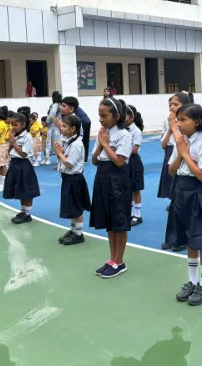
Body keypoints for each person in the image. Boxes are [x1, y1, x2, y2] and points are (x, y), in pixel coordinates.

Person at [167, 104, 202, 306]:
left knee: (201, 239)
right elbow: (171, 171)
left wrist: (186, 155)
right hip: (181, 192)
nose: (178, 124)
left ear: (196, 122)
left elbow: (201, 175)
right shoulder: (180, 142)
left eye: (183, 120)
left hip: (198, 193)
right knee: (188, 237)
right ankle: (192, 281)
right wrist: (180, 153)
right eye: (177, 120)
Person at [91, 97, 132, 279]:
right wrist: (100, 145)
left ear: (116, 116)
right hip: (102, 177)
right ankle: (112, 259)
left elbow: (119, 161)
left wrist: (105, 144)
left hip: (117, 180)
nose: (101, 119)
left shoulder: (124, 135)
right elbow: (94, 160)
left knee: (119, 220)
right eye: (99, 115)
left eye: (104, 116)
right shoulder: (103, 133)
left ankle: (119, 261)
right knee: (109, 219)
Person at [159, 92, 193, 252]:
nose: (172, 107)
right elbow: (164, 144)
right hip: (172, 156)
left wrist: (174, 126)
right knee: (174, 202)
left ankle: (182, 237)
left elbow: (182, 142)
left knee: (183, 203)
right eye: (170, 104)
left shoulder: (187, 123)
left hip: (185, 161)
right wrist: (170, 128)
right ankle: (174, 238)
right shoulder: (169, 122)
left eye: (176, 104)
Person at [55, 114, 91, 245]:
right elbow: (63, 159)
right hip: (67, 178)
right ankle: (73, 230)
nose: (61, 128)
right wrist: (59, 153)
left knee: (76, 207)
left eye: (64, 126)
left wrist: (59, 153)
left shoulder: (76, 144)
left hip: (74, 179)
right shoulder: (68, 141)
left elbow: (69, 164)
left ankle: (78, 234)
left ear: (73, 129)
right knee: (71, 206)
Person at [3, 112, 41, 224]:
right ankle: (23, 211)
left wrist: (14, 143)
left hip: (23, 165)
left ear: (23, 125)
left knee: (27, 189)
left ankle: (27, 214)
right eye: (12, 125)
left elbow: (24, 154)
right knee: (20, 189)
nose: (13, 127)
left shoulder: (27, 137)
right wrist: (11, 144)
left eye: (15, 125)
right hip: (14, 164)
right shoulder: (15, 136)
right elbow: (10, 151)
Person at [125, 104, 145, 227]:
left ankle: (137, 215)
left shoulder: (136, 131)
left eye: (125, 115)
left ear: (132, 118)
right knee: (128, 188)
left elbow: (134, 150)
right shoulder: (122, 129)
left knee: (135, 189)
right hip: (126, 161)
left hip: (133, 161)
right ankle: (131, 213)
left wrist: (121, 148)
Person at [59, 97, 92, 163]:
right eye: (61, 105)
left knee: (71, 161)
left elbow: (79, 134)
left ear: (71, 109)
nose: (61, 108)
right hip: (69, 142)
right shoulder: (67, 118)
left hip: (73, 143)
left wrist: (60, 127)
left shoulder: (75, 120)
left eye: (64, 106)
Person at [45, 91, 62, 166]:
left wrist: (47, 122)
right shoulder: (60, 105)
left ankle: (48, 159)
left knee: (49, 143)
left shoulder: (55, 105)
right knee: (57, 142)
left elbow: (51, 115)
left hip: (52, 127)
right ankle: (59, 160)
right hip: (58, 126)